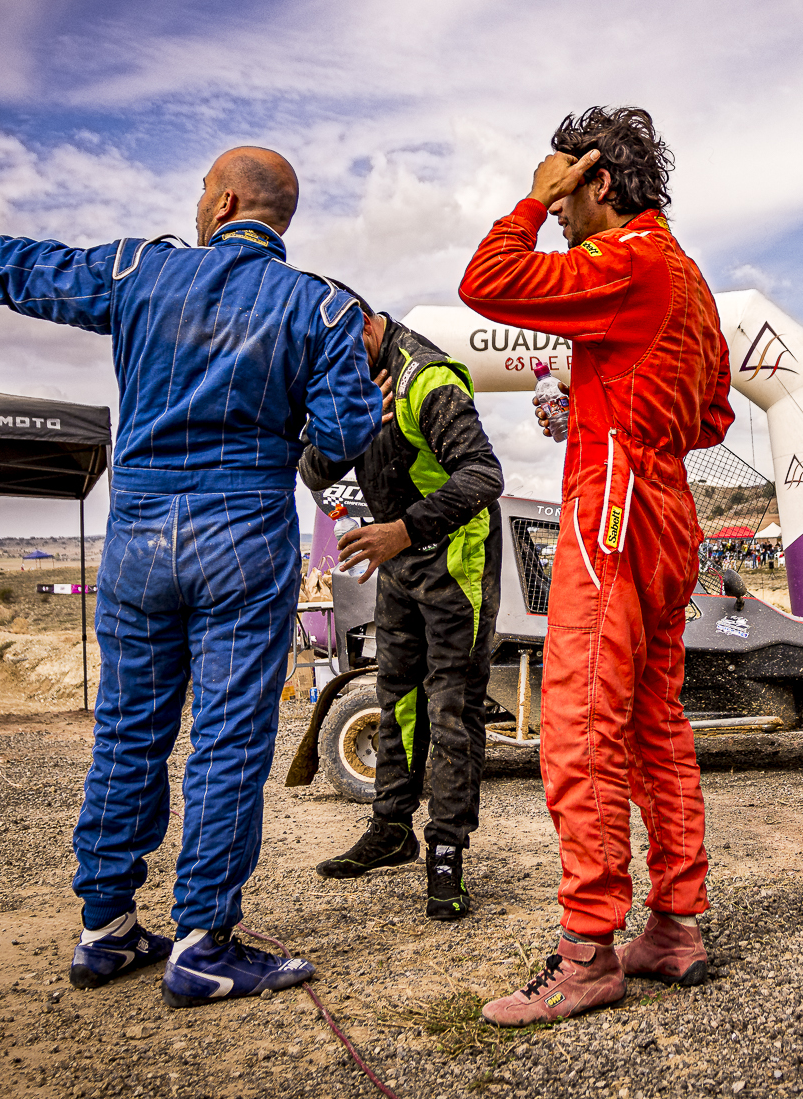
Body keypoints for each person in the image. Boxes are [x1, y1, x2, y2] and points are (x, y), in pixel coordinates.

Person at [0, 148, 381, 1008]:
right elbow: (346, 431)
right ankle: (203, 942)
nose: (198, 203)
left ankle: (106, 928)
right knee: (229, 739)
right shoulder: (324, 306)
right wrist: (290, 443)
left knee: (128, 730)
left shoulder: (138, 270)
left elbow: (23, 269)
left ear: (227, 199)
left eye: (203, 191)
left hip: (137, 537)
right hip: (242, 532)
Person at [458, 107, 733, 1025]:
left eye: (564, 189)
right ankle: (677, 925)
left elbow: (487, 279)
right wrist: (608, 400)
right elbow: (712, 417)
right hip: (666, 508)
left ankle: (586, 954)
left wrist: (528, 202)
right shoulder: (688, 278)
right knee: (653, 716)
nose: (559, 208)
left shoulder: (627, 260)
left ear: (596, 180)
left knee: (579, 723)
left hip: (609, 509)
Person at [298, 296, 504, 920]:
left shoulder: (427, 378)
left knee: (450, 709)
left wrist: (402, 531)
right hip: (399, 563)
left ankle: (447, 853)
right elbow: (311, 469)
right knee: (397, 700)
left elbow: (484, 474)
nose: (329, 367)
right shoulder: (345, 380)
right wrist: (351, 431)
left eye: (336, 350)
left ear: (363, 322)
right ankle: (391, 830)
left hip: (454, 564)